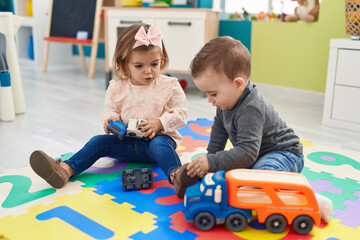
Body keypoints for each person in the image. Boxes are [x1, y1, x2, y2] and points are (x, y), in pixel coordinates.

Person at [29, 23, 188, 190]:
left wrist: (160, 123)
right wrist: (109, 120)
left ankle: (177, 176)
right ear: (125, 64)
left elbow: (181, 114)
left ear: (161, 60)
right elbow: (110, 111)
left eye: (154, 64)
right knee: (98, 142)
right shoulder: (116, 86)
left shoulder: (170, 85)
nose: (148, 71)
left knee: (160, 145)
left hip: (155, 143)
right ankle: (64, 171)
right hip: (126, 143)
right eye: (139, 66)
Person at [173, 36, 304, 197]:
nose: (209, 100)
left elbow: (247, 152)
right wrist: (210, 160)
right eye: (206, 94)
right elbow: (219, 133)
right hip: (255, 155)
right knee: (231, 172)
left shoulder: (251, 108)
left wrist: (212, 163)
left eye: (213, 93)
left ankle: (303, 196)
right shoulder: (226, 102)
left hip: (284, 154)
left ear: (238, 84)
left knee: (262, 175)